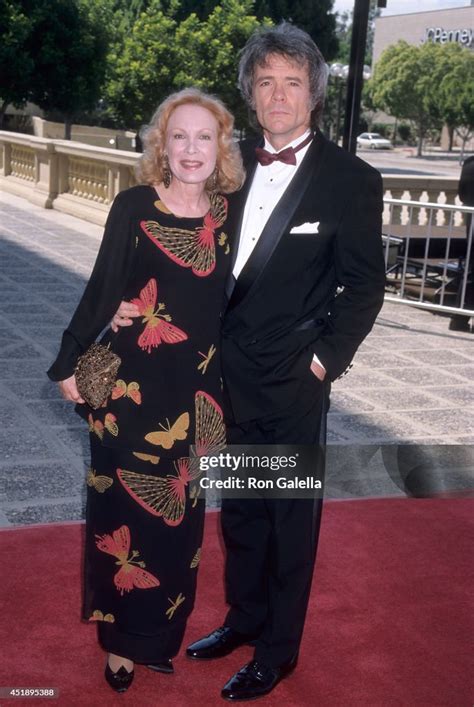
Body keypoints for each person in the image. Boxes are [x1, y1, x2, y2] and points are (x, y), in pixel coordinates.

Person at [113, 22, 385, 701]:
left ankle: (277, 650)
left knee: (289, 522)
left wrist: (323, 363)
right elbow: (170, 229)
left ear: (314, 94)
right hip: (219, 377)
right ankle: (242, 618)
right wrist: (123, 302)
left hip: (293, 381)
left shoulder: (351, 180)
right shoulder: (226, 163)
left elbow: (365, 285)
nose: (278, 96)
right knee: (240, 514)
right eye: (265, 83)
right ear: (251, 94)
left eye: (292, 83)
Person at [47, 88, 244, 693]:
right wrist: (68, 364)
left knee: (178, 524)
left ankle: (158, 638)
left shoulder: (230, 215)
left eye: (203, 137)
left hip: (195, 398)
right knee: (124, 513)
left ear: (221, 148)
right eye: (178, 136)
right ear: (161, 145)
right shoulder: (134, 206)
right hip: (131, 395)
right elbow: (105, 287)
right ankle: (119, 647)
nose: (191, 149)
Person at [449, 154, 474, 332]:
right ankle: (459, 319)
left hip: (471, 221)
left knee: (470, 271)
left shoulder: (469, 163)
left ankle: (459, 318)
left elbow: (462, 194)